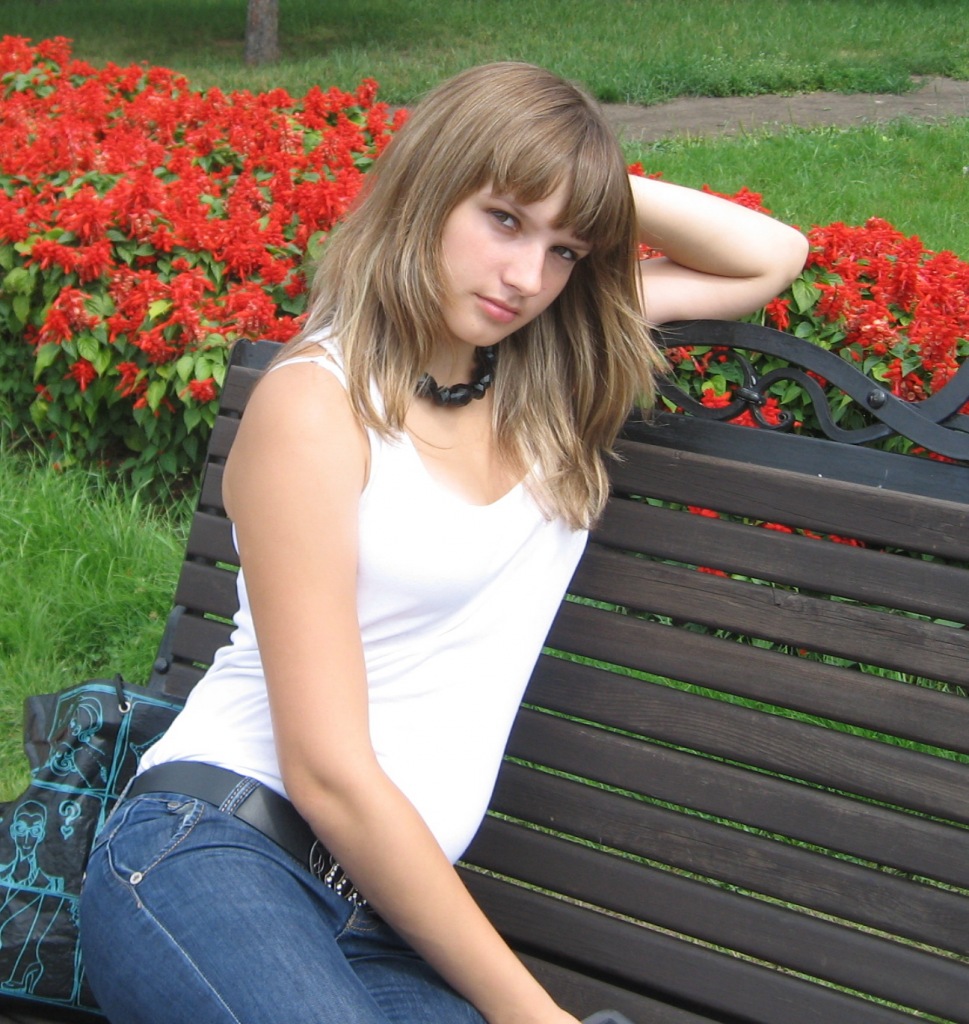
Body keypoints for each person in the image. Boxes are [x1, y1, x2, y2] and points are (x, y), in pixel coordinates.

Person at [78, 62, 808, 1024]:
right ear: (429, 186)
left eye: (565, 249)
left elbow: (770, 255)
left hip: (379, 915)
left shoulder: (547, 371)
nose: (526, 278)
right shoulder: (319, 408)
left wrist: (581, 182)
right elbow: (326, 773)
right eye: (503, 218)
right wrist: (535, 1015)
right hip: (211, 852)